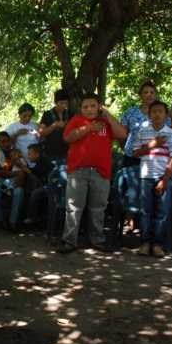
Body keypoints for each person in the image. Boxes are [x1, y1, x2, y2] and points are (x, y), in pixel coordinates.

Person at [57, 93, 127, 254]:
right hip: (78, 171)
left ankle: (97, 240)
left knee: (98, 208)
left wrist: (107, 114)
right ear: (81, 109)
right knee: (74, 208)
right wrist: (89, 128)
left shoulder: (105, 122)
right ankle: (69, 241)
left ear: (99, 107)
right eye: (85, 107)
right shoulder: (76, 120)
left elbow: (122, 134)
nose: (89, 109)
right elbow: (68, 137)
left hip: (100, 172)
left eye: (93, 106)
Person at [119, 82, 171, 233]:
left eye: (152, 92)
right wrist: (126, 148)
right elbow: (121, 134)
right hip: (132, 156)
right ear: (140, 95)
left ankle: (150, 223)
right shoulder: (130, 112)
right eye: (146, 92)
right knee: (131, 188)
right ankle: (129, 221)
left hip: (154, 158)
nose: (149, 95)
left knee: (153, 190)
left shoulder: (162, 113)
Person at [132, 100, 172, 258]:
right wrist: (153, 144)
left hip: (162, 177)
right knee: (145, 211)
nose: (157, 114)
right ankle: (145, 243)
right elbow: (136, 153)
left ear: (166, 115)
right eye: (154, 111)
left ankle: (158, 244)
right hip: (146, 177)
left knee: (162, 212)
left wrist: (165, 180)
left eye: (160, 111)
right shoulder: (143, 132)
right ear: (149, 114)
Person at [0, 132, 25, 232]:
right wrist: (18, 173)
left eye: (8, 141)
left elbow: (24, 168)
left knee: (19, 192)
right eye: (3, 142)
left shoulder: (16, 153)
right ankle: (1, 220)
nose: (6, 144)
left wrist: (21, 177)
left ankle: (13, 221)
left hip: (14, 179)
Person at [23, 144, 56, 224]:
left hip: (52, 186)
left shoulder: (42, 163)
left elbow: (30, 172)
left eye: (29, 154)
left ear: (37, 155)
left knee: (35, 193)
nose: (28, 157)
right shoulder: (41, 162)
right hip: (49, 186)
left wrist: (20, 165)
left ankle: (31, 217)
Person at [39, 89, 73, 162]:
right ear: (55, 102)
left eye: (65, 103)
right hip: (51, 153)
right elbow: (41, 134)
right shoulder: (47, 114)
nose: (63, 105)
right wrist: (55, 125)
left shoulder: (70, 114)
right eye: (61, 103)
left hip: (67, 152)